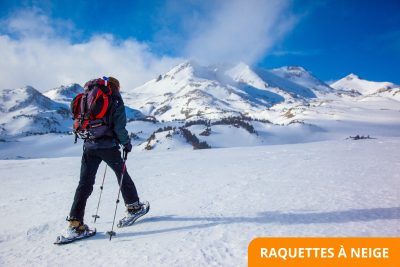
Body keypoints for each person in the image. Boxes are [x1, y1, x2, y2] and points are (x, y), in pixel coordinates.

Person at [65, 76, 145, 237]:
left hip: (89, 145)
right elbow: (120, 127)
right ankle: (134, 207)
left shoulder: (87, 97)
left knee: (84, 183)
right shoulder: (114, 100)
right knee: (122, 174)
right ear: (116, 87)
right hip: (108, 146)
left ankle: (75, 224)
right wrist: (126, 143)